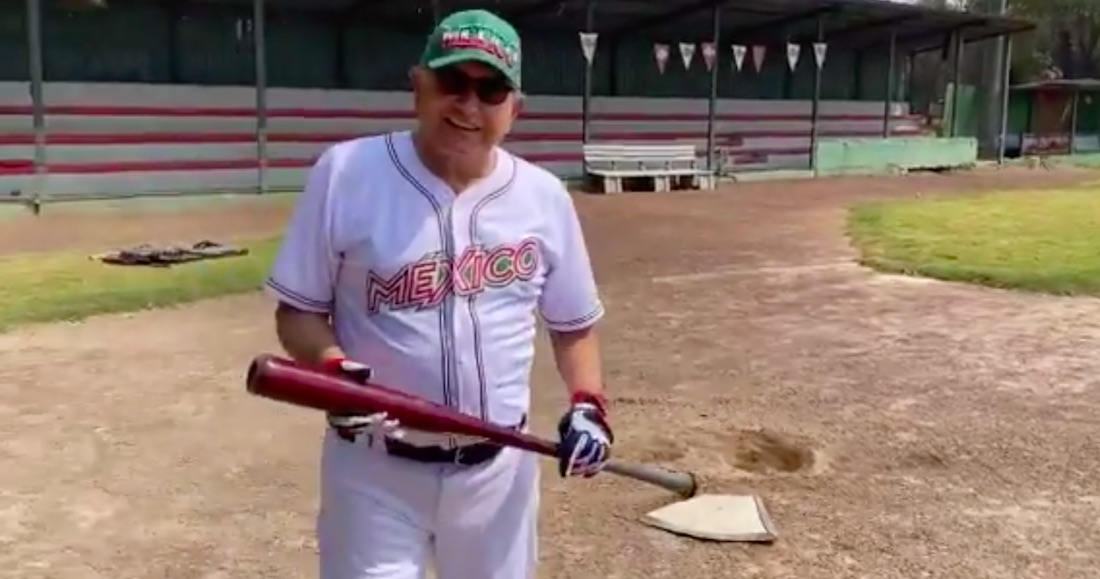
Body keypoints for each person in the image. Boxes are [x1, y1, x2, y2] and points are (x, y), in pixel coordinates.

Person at [263, 9, 612, 579]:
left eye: (491, 89)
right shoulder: (348, 172)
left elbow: (573, 324)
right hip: (375, 472)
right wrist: (332, 368)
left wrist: (588, 406)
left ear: (514, 108)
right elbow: (299, 310)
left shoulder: (544, 197)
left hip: (499, 474)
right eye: (453, 83)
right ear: (419, 87)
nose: (469, 106)